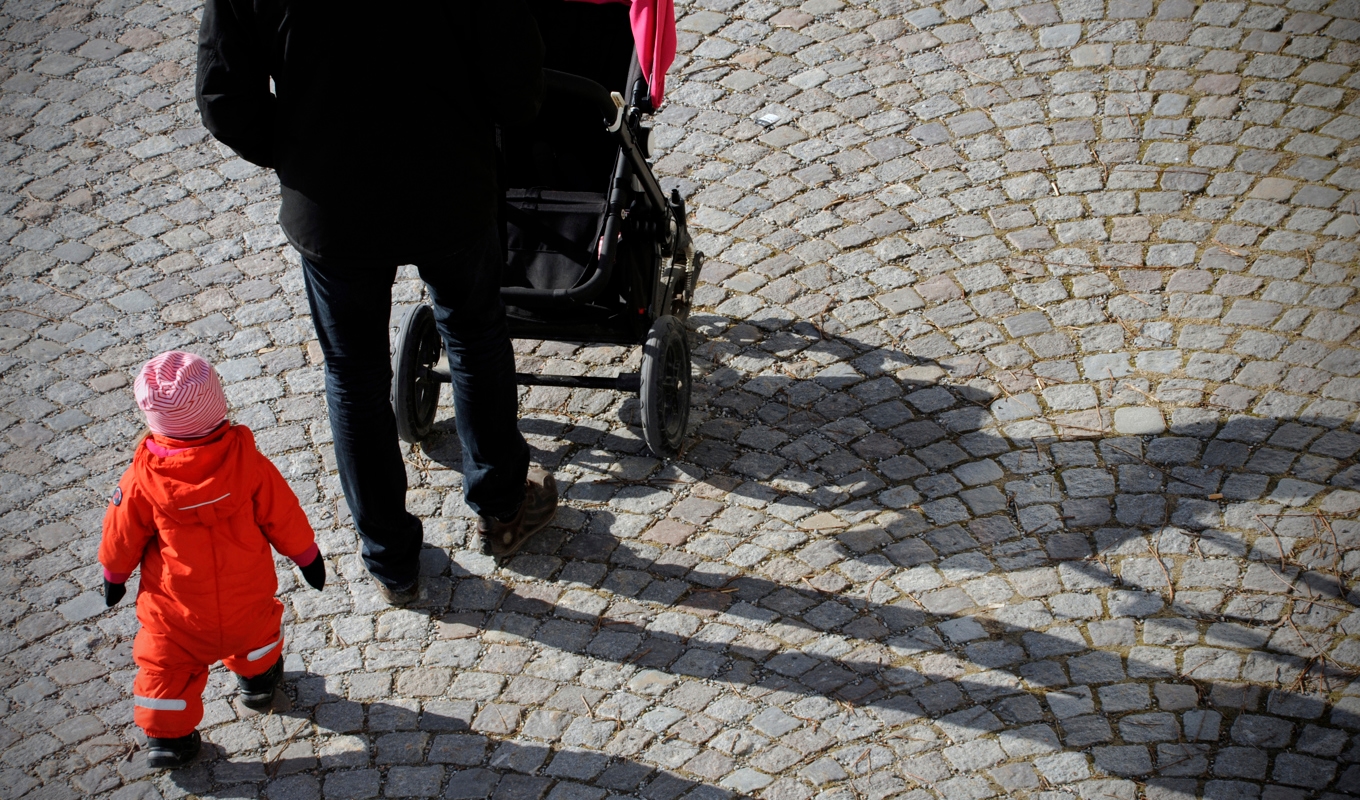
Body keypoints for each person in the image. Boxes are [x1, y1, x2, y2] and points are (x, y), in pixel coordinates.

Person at [195, 2, 560, 605]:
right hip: (449, 180)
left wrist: (297, 151)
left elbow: (223, 97)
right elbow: (516, 77)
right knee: (472, 333)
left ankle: (392, 562)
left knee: (354, 375)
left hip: (333, 204)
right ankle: (502, 507)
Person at [100, 351, 326, 769]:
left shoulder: (141, 482)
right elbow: (284, 516)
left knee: (163, 667)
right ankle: (258, 683)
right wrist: (308, 557)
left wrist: (114, 577)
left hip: (178, 613)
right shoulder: (250, 466)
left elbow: (120, 536)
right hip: (245, 597)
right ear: (217, 405)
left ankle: (169, 739)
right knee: (258, 633)